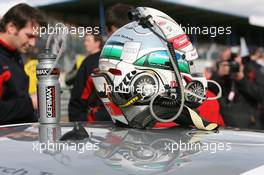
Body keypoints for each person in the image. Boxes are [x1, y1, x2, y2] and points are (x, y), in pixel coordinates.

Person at [0, 3, 45, 124]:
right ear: (11, 27)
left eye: (36, 38)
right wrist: (31, 103)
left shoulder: (15, 54)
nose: (33, 43)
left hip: (20, 135)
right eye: (29, 35)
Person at [210, 47, 264, 129]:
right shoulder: (221, 75)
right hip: (226, 123)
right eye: (230, 62)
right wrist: (218, 75)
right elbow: (209, 93)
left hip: (250, 125)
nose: (233, 65)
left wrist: (241, 79)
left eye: (235, 59)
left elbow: (260, 95)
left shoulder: (252, 72)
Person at [68, 34, 110, 122]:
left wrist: (78, 120)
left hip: (95, 121)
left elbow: (79, 95)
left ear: (97, 42)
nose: (85, 43)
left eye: (88, 41)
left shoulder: (88, 62)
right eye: (84, 41)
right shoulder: (110, 59)